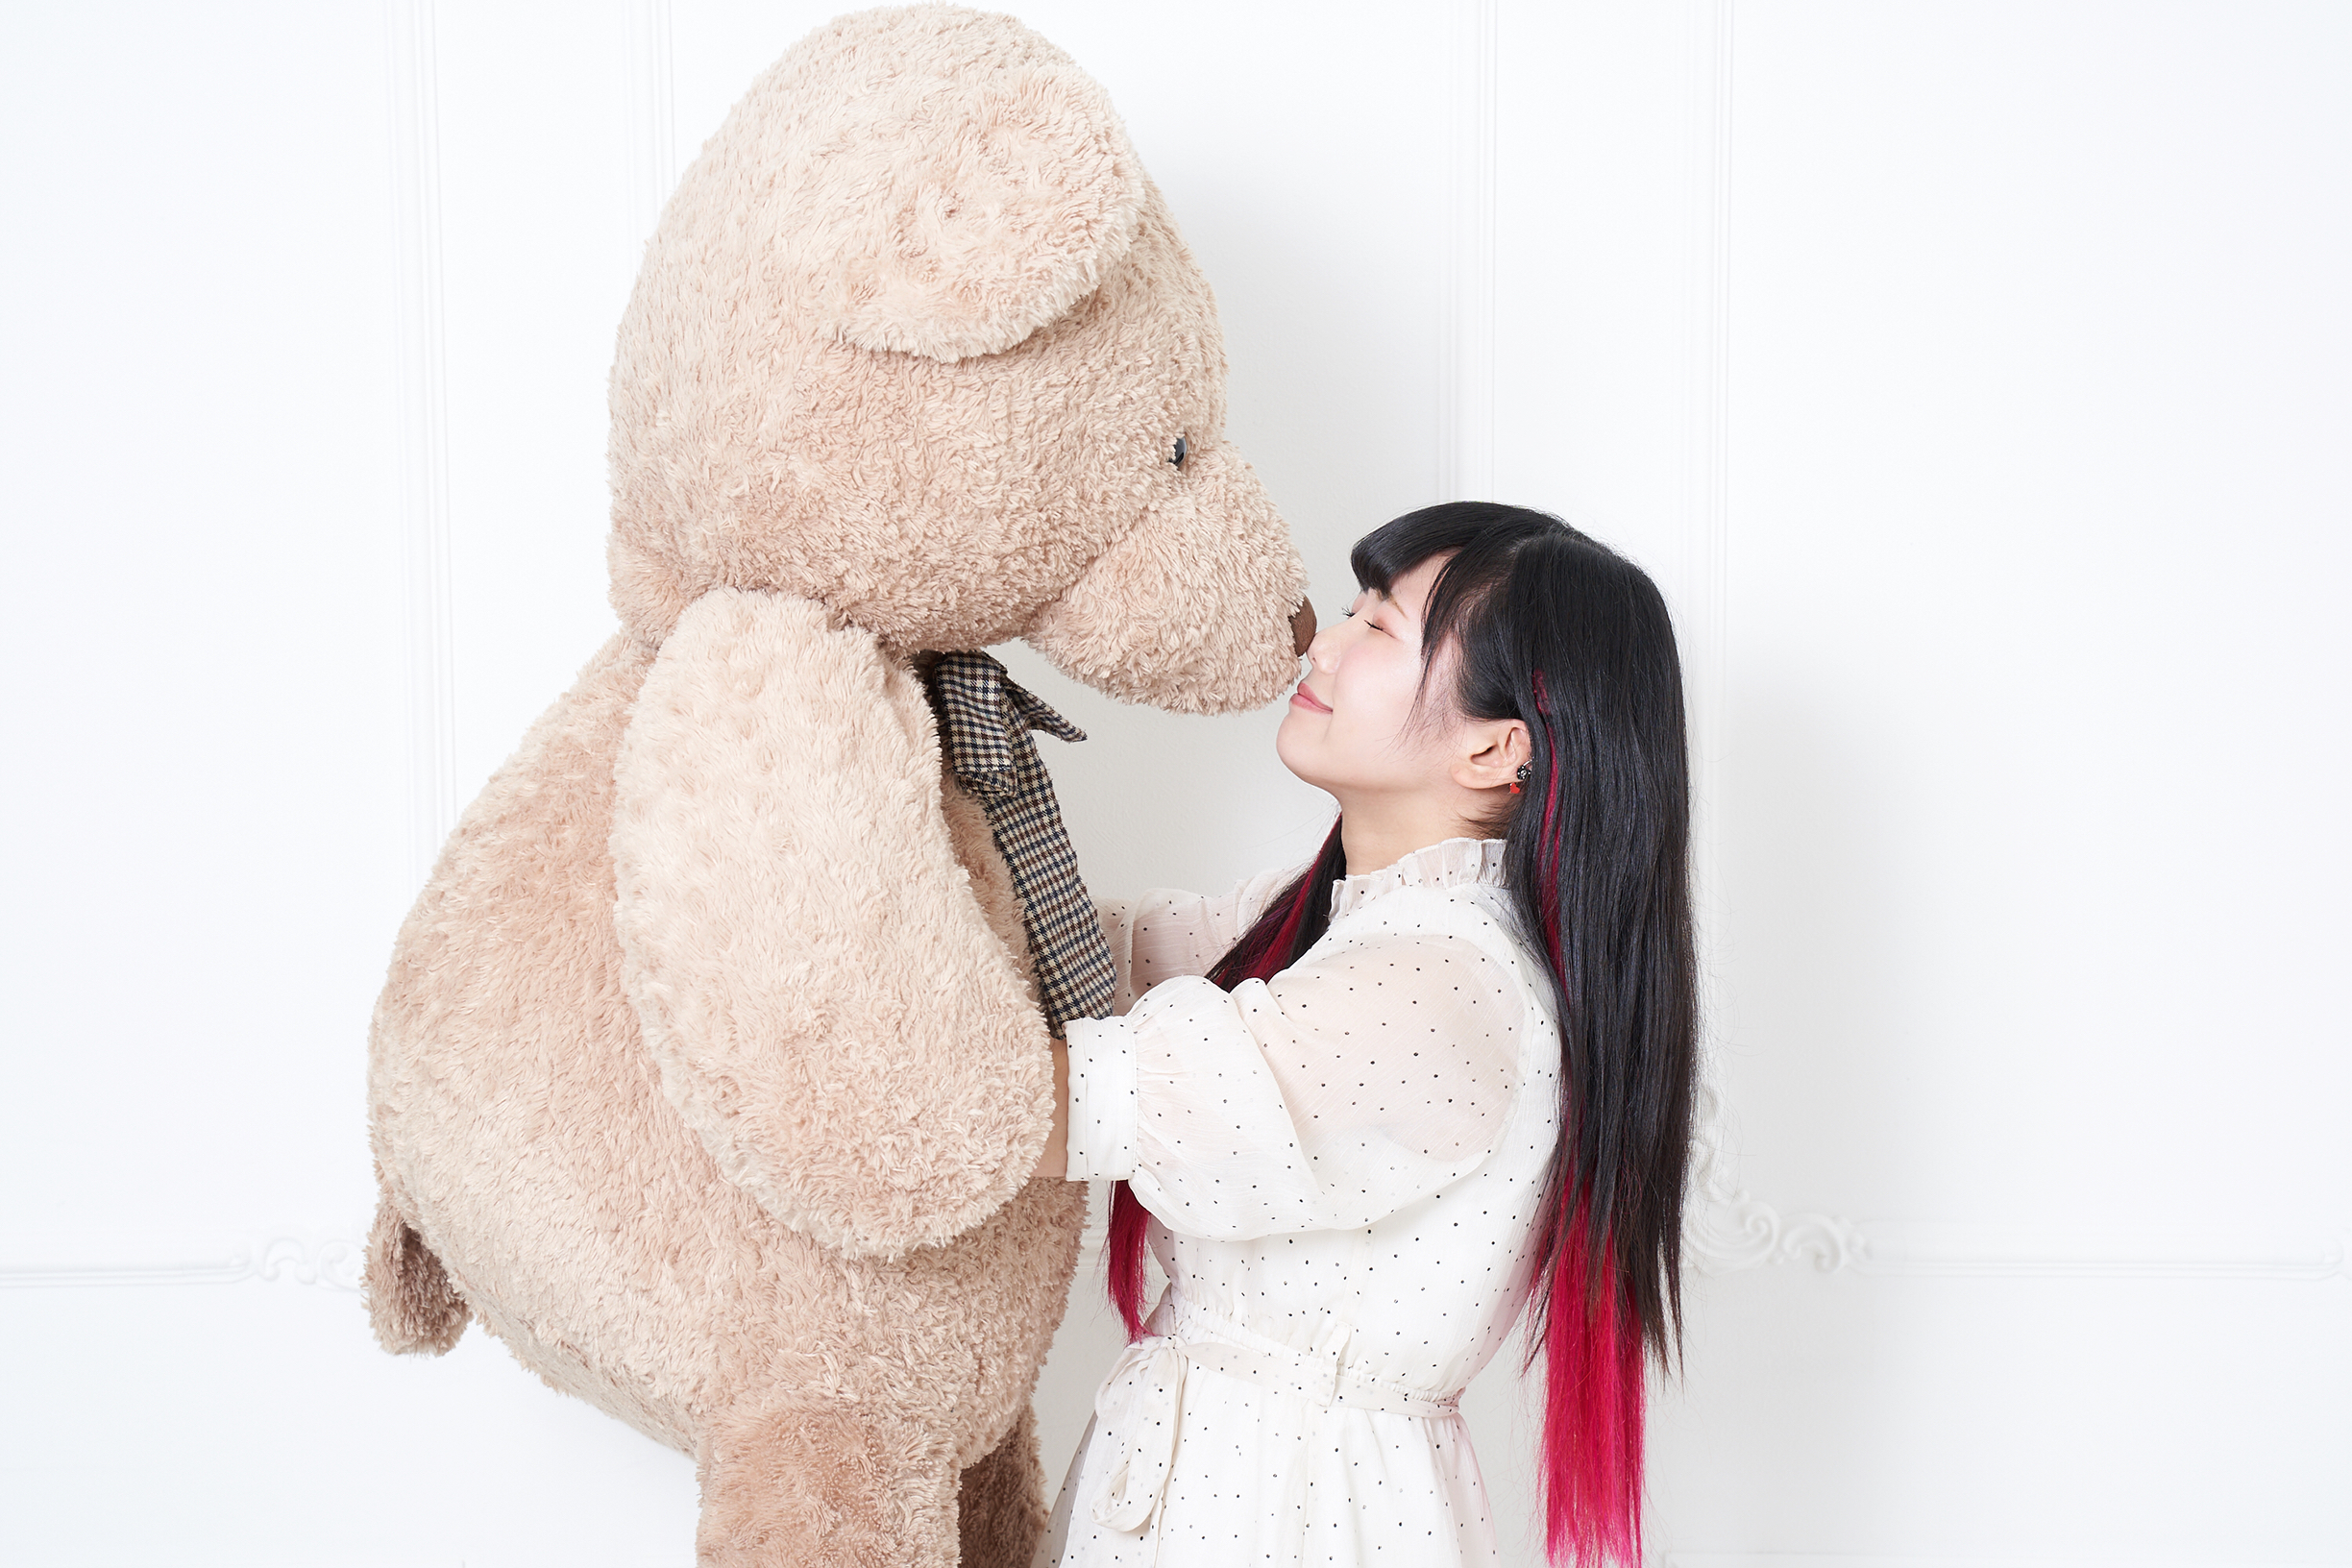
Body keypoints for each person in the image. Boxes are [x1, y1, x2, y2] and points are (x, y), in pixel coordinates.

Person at [1028, 502, 1699, 1568]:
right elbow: (1072, 951)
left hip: (1281, 1512)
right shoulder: (1337, 923)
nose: (1323, 643)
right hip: (1220, 1481)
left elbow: (1060, 1103)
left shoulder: (1440, 986)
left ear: (1495, 747)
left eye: (1379, 626)